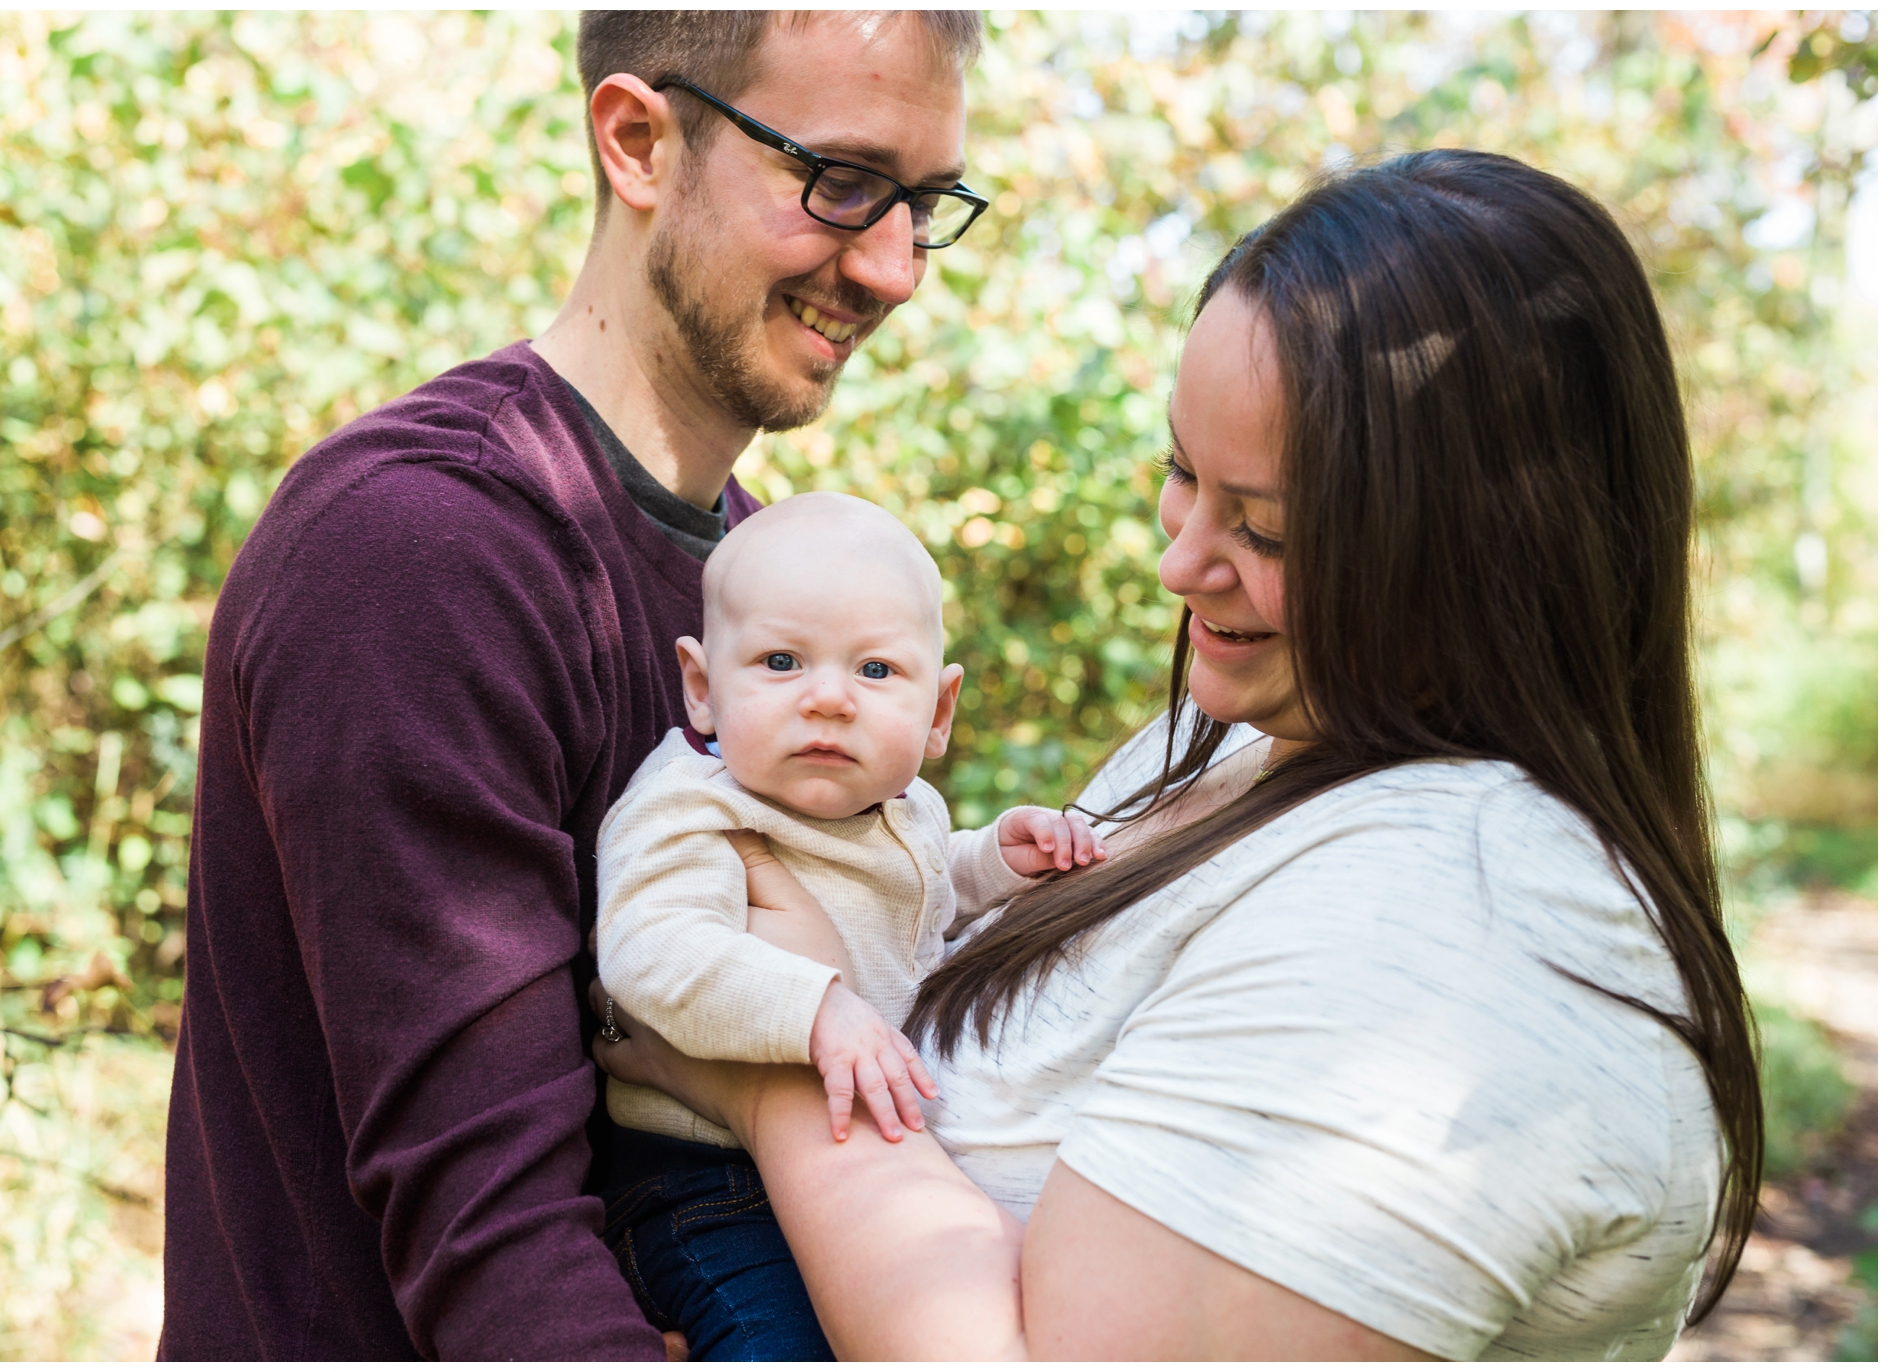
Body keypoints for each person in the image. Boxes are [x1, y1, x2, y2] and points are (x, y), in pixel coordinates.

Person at [593, 148, 1765, 1360]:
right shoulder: (1232, 740)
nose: (1177, 563)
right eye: (1180, 474)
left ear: (1490, 557)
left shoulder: (1461, 932)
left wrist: (768, 1086)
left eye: (1259, 525)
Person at [157, 11, 987, 1360]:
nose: (894, 268)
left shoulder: (760, 586)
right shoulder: (421, 554)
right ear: (638, 141)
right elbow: (496, 1245)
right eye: (841, 183)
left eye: (927, 203)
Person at [593, 492, 1102, 1360]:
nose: (829, 699)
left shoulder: (906, 811)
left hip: (846, 1175)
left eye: (874, 672)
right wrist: (816, 1007)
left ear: (938, 714)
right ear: (703, 689)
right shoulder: (691, 812)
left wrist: (997, 863)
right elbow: (653, 953)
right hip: (704, 1179)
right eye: (782, 661)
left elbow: (923, 893)